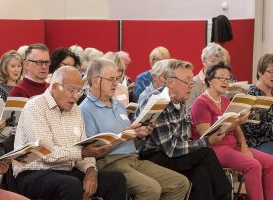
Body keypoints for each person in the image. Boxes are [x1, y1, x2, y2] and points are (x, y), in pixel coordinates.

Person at [80, 58, 189, 200]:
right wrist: (121, 137)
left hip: (133, 159)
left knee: (180, 183)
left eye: (117, 78)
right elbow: (93, 153)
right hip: (110, 163)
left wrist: (138, 136)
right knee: (151, 189)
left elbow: (131, 144)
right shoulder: (85, 109)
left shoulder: (118, 105)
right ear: (95, 81)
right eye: (111, 79)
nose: (116, 83)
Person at [13, 66, 126, 200]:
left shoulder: (75, 110)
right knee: (71, 184)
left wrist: (91, 171)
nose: (77, 96)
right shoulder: (35, 107)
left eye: (79, 90)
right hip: (32, 173)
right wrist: (83, 152)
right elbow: (45, 154)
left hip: (66, 172)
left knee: (116, 179)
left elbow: (84, 147)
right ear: (55, 87)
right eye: (72, 90)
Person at [136, 59, 232, 200]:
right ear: (171, 82)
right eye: (187, 82)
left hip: (173, 155)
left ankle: (224, 195)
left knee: (202, 174)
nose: (191, 86)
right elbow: (171, 149)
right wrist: (206, 142)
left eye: (191, 82)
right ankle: (225, 194)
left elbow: (181, 141)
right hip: (154, 156)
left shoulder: (180, 101)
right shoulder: (156, 102)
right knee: (206, 152)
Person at [191, 62, 273, 200]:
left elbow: (238, 129)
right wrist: (234, 123)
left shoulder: (225, 100)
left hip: (233, 145)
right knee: (253, 166)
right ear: (210, 80)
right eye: (221, 78)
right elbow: (209, 137)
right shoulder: (201, 103)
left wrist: (244, 146)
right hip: (215, 148)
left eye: (228, 78)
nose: (225, 82)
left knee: (270, 163)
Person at [242, 54, 273, 154]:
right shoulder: (252, 94)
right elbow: (253, 128)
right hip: (259, 143)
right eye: (271, 71)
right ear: (260, 71)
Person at [186, 43, 231, 110]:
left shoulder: (224, 81)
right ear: (204, 61)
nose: (216, 65)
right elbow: (189, 111)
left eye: (219, 62)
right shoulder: (193, 83)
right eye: (213, 61)